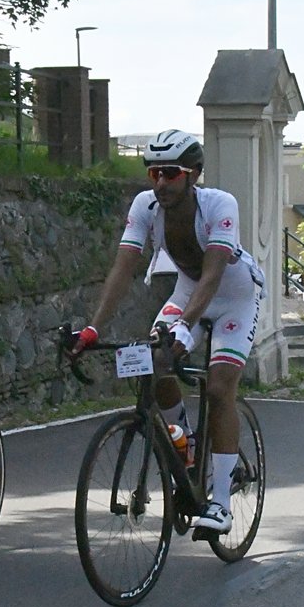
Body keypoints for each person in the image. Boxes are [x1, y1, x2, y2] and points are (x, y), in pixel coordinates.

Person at [70, 129, 265, 535]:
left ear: (193, 173)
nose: (160, 182)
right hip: (188, 291)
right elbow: (123, 269)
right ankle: (185, 442)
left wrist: (184, 328)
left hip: (234, 298)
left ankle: (223, 504)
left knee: (217, 388)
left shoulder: (219, 204)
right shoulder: (146, 206)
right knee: (155, 360)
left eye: (170, 173)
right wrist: (92, 328)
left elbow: (212, 275)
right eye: (154, 172)